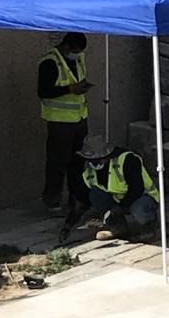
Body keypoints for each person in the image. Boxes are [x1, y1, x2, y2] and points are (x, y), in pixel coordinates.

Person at [38, 32, 91, 214]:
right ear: (66, 46)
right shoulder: (50, 62)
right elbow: (43, 91)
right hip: (59, 121)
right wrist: (70, 89)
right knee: (57, 163)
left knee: (77, 162)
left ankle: (76, 199)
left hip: (79, 118)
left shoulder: (77, 59)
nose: (78, 54)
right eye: (75, 50)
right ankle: (52, 202)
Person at [75, 135, 159, 241]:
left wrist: (119, 208)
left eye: (96, 160)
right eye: (89, 160)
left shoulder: (127, 160)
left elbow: (137, 189)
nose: (93, 163)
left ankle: (149, 228)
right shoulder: (89, 171)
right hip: (117, 198)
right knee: (95, 195)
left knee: (139, 209)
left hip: (143, 197)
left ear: (106, 156)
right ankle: (117, 226)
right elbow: (83, 195)